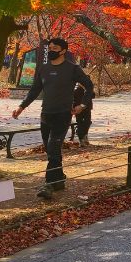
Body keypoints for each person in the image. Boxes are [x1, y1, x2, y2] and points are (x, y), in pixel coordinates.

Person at [13, 38, 95, 200]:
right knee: (51, 151)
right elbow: (35, 90)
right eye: (49, 47)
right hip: (46, 115)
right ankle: (59, 179)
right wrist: (21, 107)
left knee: (53, 147)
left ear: (63, 51)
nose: (51, 50)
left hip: (63, 115)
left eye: (55, 48)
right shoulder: (44, 68)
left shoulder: (72, 69)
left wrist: (83, 106)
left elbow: (89, 86)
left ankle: (48, 185)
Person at [73, 81, 93, 146]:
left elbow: (93, 95)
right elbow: (73, 100)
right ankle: (81, 140)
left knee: (88, 122)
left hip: (87, 109)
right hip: (79, 110)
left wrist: (86, 89)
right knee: (80, 124)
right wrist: (74, 109)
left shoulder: (88, 90)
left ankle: (85, 135)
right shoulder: (76, 90)